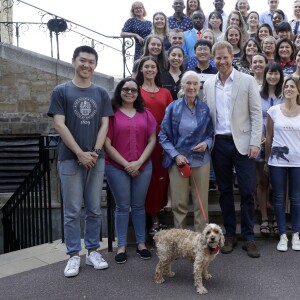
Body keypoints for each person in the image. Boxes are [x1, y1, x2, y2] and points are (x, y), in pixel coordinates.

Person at [47, 46, 114, 277]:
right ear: (73, 61)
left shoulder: (102, 93)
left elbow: (105, 124)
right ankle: (74, 255)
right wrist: (79, 153)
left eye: (91, 62)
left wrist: (94, 151)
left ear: (95, 65)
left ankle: (93, 251)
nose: (86, 65)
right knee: (73, 210)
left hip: (96, 159)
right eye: (82, 61)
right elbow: (59, 124)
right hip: (70, 159)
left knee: (94, 208)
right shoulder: (61, 91)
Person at [203, 41, 262, 258]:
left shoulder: (247, 81)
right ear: (213, 58)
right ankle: (229, 235)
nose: (221, 61)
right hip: (219, 144)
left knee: (247, 191)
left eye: (225, 57)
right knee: (225, 191)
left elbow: (256, 113)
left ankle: (248, 237)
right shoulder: (209, 84)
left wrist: (256, 142)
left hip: (244, 144)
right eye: (217, 58)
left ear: (231, 57)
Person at [104, 78, 156, 263]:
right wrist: (127, 164)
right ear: (119, 91)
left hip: (143, 166)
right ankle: (122, 247)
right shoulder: (111, 114)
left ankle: (141, 244)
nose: (129, 92)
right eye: (126, 89)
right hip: (116, 167)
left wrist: (139, 162)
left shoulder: (146, 114)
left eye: (134, 90)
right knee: (122, 206)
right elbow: (106, 144)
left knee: (138, 206)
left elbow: (152, 140)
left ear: (138, 94)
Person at [159, 71, 214, 232]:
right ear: (182, 85)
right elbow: (163, 136)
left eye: (195, 84)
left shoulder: (205, 109)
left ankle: (200, 242)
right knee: (179, 203)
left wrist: (206, 143)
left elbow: (211, 134)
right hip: (179, 162)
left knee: (201, 203)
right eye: (188, 83)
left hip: (201, 160)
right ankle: (181, 240)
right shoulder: (173, 108)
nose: (191, 87)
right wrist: (176, 155)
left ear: (199, 86)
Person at [135, 56, 173, 235]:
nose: (150, 69)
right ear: (141, 69)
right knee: (146, 178)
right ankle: (151, 218)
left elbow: (173, 116)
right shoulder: (135, 90)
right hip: (142, 139)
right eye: (146, 66)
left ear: (157, 70)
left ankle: (158, 213)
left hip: (162, 139)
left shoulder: (165, 92)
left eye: (153, 67)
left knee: (160, 177)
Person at [265, 76, 300, 252]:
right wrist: (266, 160)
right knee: (278, 198)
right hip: (276, 162)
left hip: (298, 162)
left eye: (292, 86)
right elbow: (269, 137)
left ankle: (296, 234)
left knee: (296, 198)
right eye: (286, 86)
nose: (289, 89)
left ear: (298, 90)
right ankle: (282, 235)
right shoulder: (273, 110)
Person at [256, 62, 284, 235]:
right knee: (262, 181)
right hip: (261, 141)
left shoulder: (284, 94)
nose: (272, 76)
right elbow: (253, 116)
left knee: (278, 183)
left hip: (281, 143)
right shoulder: (258, 94)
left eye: (276, 73)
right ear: (265, 75)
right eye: (270, 73)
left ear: (280, 76)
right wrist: (259, 136)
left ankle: (276, 218)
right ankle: (265, 218)